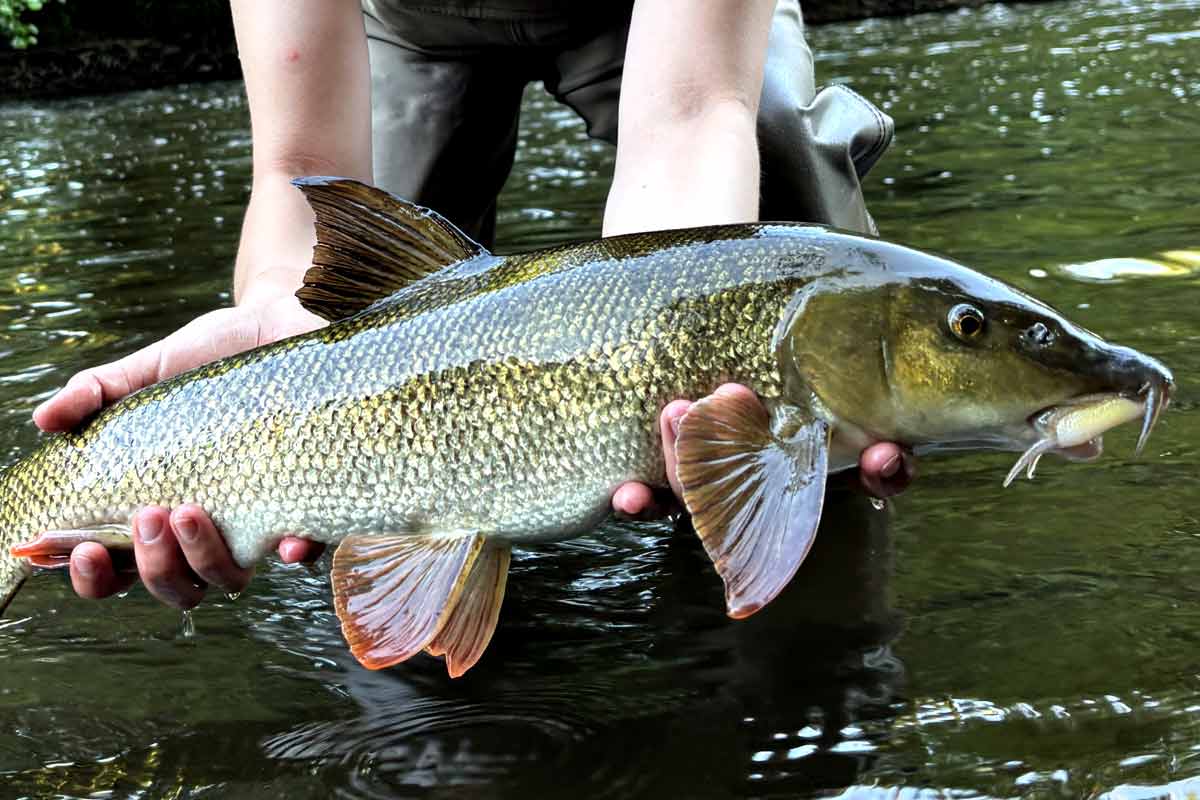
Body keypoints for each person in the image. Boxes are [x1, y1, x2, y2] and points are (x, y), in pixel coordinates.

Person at [33, 0, 914, 610]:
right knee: (390, 334)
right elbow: (300, 170)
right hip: (405, 23)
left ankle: (806, 615)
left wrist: (668, 360)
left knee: (773, 196)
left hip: (669, 31)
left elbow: (691, 118)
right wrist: (283, 317)